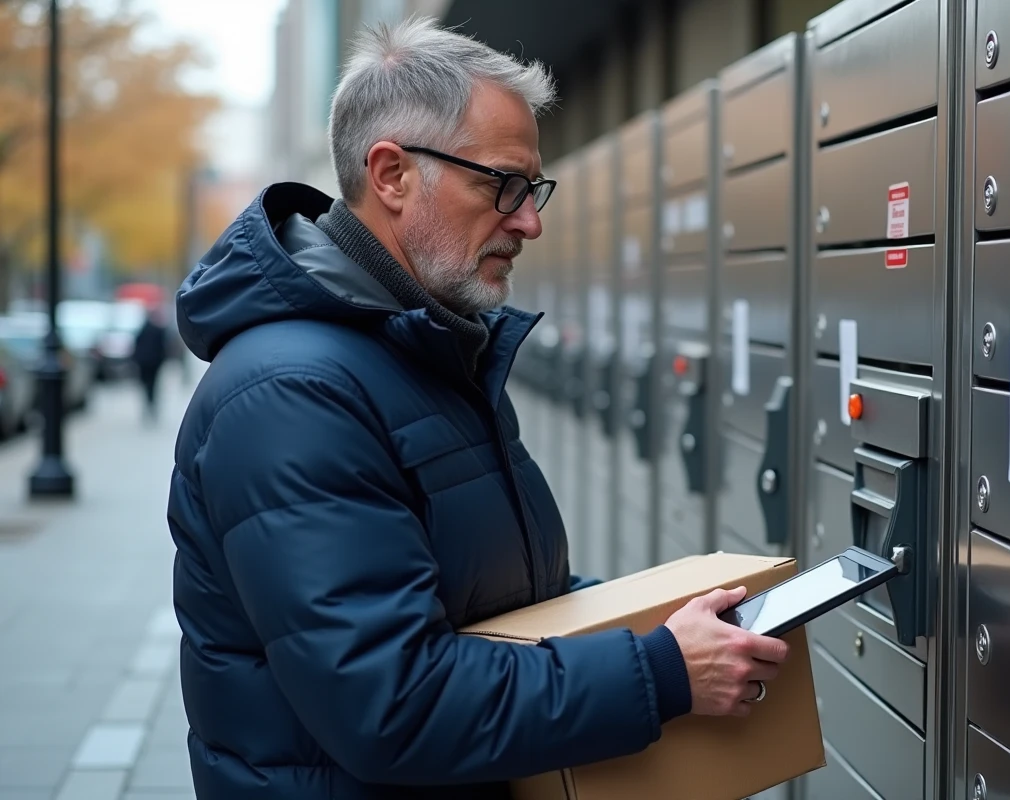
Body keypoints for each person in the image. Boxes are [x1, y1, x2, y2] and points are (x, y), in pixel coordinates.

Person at [167, 16, 788, 800]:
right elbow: (392, 704)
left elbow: (489, 605)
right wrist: (661, 669)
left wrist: (668, 619)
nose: (529, 221)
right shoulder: (293, 392)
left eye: (533, 189)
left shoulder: (421, 354)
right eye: (503, 184)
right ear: (391, 174)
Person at [131, 305, 167, 420]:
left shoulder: (145, 329)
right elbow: (163, 347)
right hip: (153, 362)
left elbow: (137, 345)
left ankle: (149, 403)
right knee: (152, 384)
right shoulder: (158, 330)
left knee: (147, 383)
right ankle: (151, 403)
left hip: (146, 362)